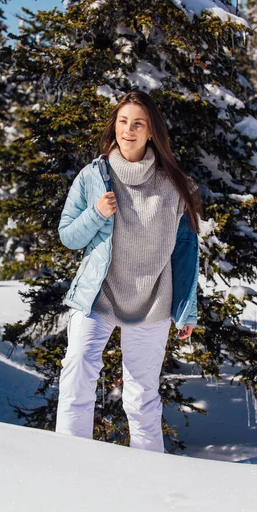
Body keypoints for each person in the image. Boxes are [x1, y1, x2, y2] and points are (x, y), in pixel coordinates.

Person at [55, 89, 201, 453]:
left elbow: (185, 251)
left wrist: (186, 309)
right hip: (98, 294)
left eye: (138, 123)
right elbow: (68, 236)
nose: (129, 130)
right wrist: (96, 214)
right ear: (114, 126)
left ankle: (148, 482)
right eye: (123, 121)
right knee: (77, 378)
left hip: (152, 299)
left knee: (141, 397)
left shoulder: (174, 185)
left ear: (152, 131)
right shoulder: (95, 176)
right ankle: (68, 468)